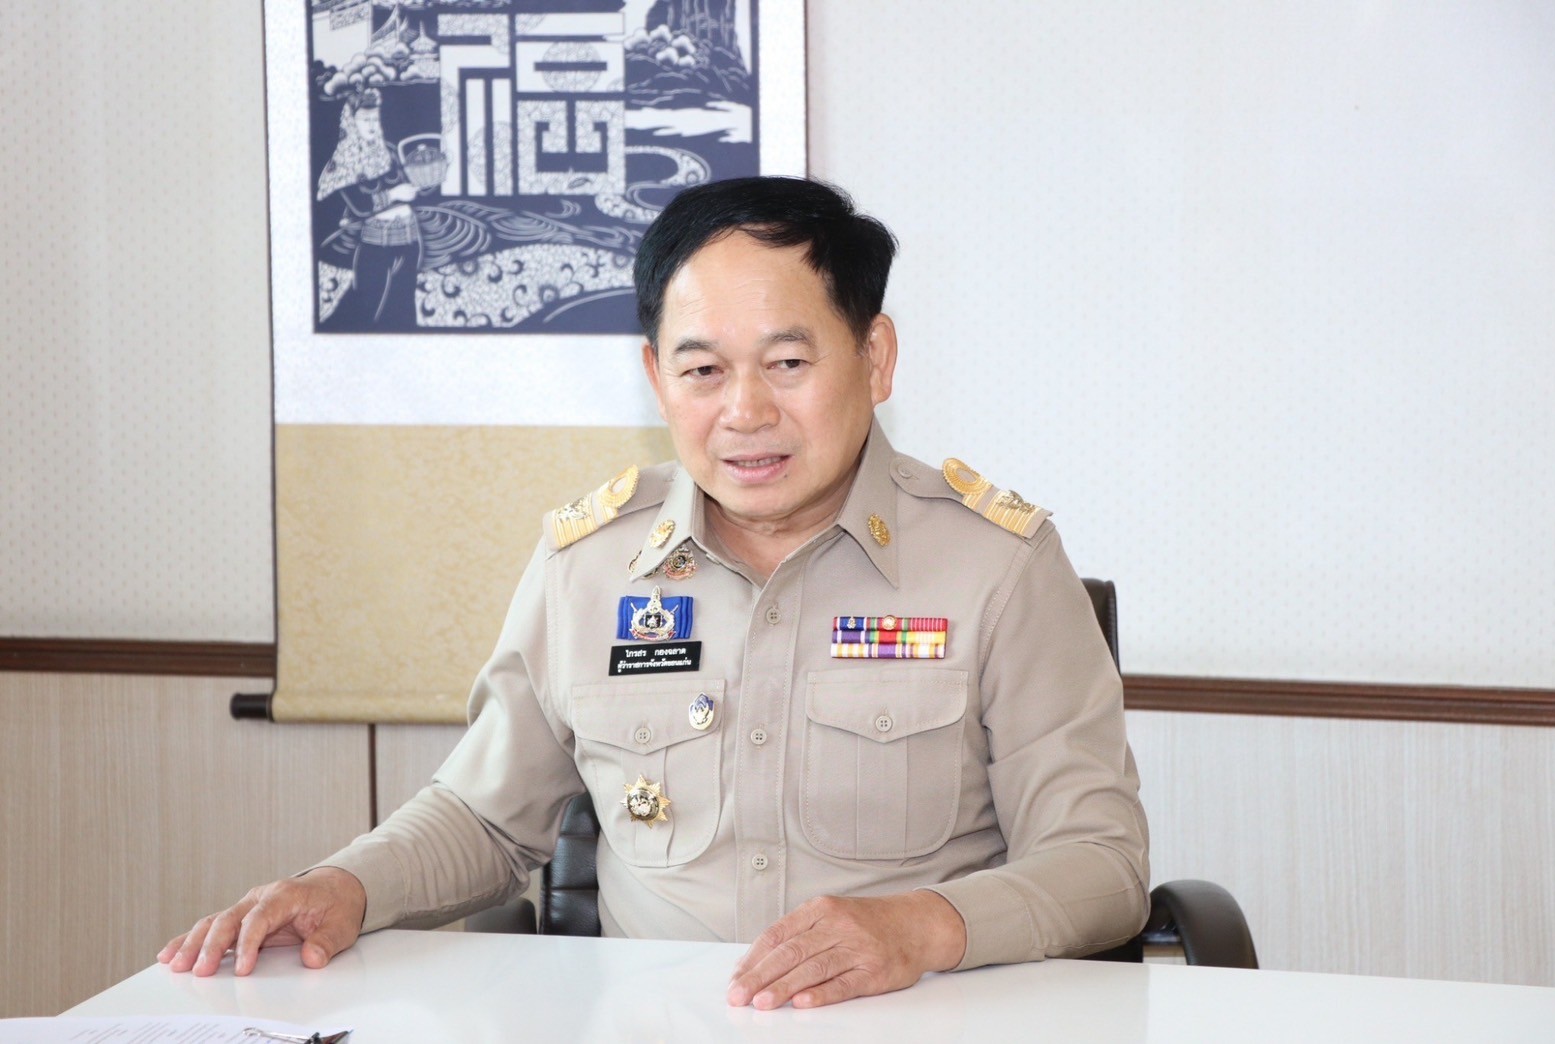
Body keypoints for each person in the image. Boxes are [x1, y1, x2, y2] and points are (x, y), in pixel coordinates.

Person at [160, 176, 1150, 1009]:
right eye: (703, 370)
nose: (745, 411)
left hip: (921, 1023)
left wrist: (920, 928)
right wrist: (345, 885)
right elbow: (485, 817)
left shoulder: (998, 567)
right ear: (655, 375)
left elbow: (1100, 861)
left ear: (875, 357)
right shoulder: (589, 566)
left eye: (788, 363)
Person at [315, 87, 422, 330]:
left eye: (375, 118)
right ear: (351, 121)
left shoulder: (388, 151)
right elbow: (358, 205)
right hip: (376, 243)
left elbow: (404, 183)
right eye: (365, 119)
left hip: (409, 239)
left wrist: (415, 186)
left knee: (404, 309)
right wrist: (394, 194)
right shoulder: (344, 161)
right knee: (367, 308)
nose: (372, 125)